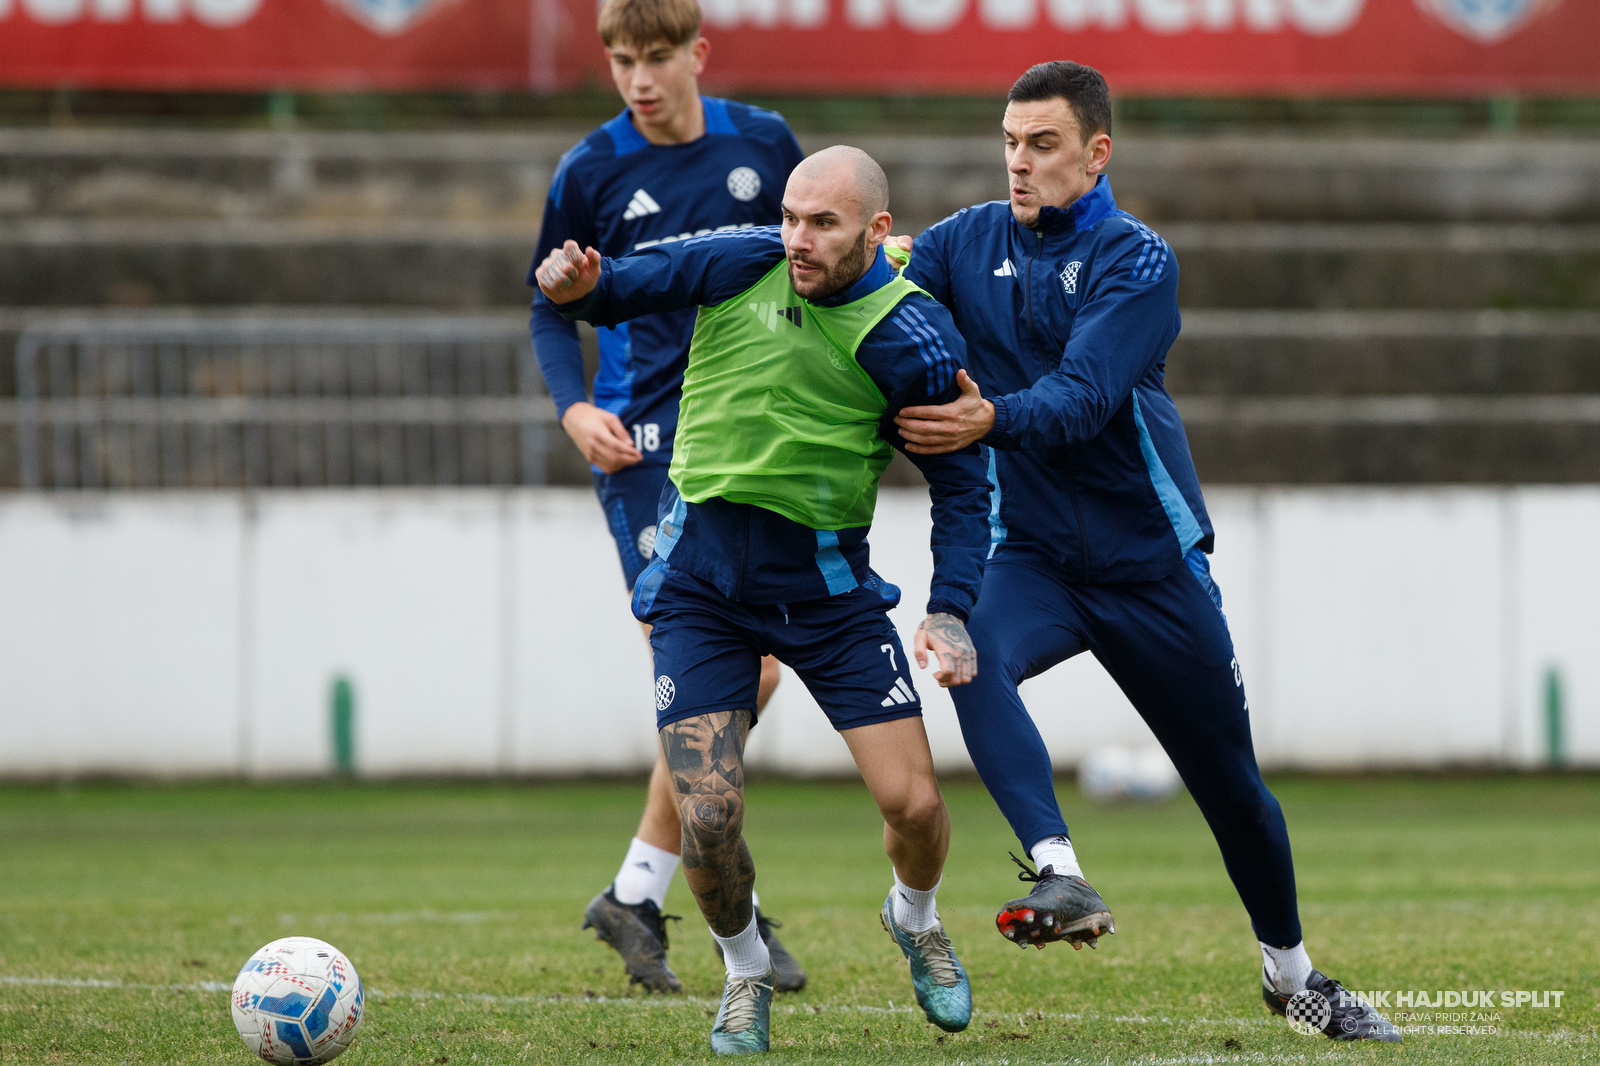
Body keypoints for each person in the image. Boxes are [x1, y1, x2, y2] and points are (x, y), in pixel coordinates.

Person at [890, 61, 1402, 1043]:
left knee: (1232, 789)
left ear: (1096, 153)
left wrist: (983, 418)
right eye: (1008, 141)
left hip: (1152, 570)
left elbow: (1082, 401)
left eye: (1042, 145)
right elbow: (879, 320)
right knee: (967, 653)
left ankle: (1290, 973)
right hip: (1034, 556)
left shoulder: (1138, 260)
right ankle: (1057, 868)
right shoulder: (959, 243)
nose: (1019, 163)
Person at [535, 146, 990, 1055]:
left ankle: (915, 915)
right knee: (707, 815)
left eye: (823, 223)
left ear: (877, 231)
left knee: (917, 809)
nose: (798, 239)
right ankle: (744, 973)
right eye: (791, 216)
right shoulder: (741, 260)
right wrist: (577, 286)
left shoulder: (911, 335)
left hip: (827, 598)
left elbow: (965, 484)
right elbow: (621, 287)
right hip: (701, 592)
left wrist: (951, 606)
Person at [526, 0, 806, 995]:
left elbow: (810, 261)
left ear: (697, 53)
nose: (638, 79)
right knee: (737, 675)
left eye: (655, 58)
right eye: (619, 61)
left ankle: (639, 892)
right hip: (646, 450)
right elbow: (546, 305)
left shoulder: (765, 144)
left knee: (749, 676)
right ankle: (680, 883)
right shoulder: (589, 170)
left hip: (752, 441)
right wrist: (572, 410)